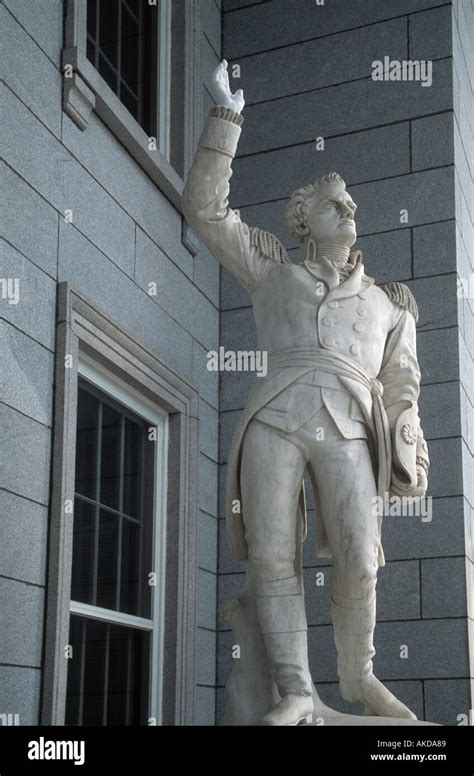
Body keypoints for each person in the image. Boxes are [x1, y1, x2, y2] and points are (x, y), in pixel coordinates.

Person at [183, 61, 429, 726]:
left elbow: (401, 383)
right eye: (333, 204)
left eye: (351, 205)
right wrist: (226, 120)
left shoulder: (388, 304)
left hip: (351, 422)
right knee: (269, 550)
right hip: (275, 417)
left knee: (359, 552)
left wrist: (408, 448)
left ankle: (358, 674)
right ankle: (295, 686)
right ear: (303, 221)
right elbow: (205, 211)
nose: (349, 210)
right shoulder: (272, 270)